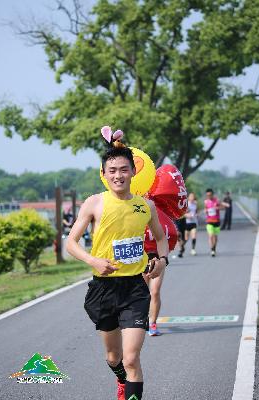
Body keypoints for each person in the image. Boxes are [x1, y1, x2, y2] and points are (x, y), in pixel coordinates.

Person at [66, 131, 169, 400]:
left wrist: (162, 260)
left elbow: (161, 238)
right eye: (112, 170)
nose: (118, 175)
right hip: (103, 290)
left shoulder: (145, 206)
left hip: (135, 288)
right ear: (104, 172)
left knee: (132, 358)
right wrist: (93, 260)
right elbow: (71, 242)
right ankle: (121, 379)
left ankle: (130, 384)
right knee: (114, 357)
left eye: (124, 169)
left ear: (134, 171)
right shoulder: (95, 203)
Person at [204, 188, 229, 257]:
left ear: (212, 194)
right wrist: (205, 211)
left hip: (217, 221)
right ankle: (212, 249)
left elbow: (223, 208)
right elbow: (205, 209)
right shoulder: (206, 201)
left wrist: (218, 208)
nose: (209, 196)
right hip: (209, 221)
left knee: (215, 237)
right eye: (207, 195)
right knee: (210, 235)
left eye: (210, 195)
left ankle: (214, 249)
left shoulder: (217, 200)